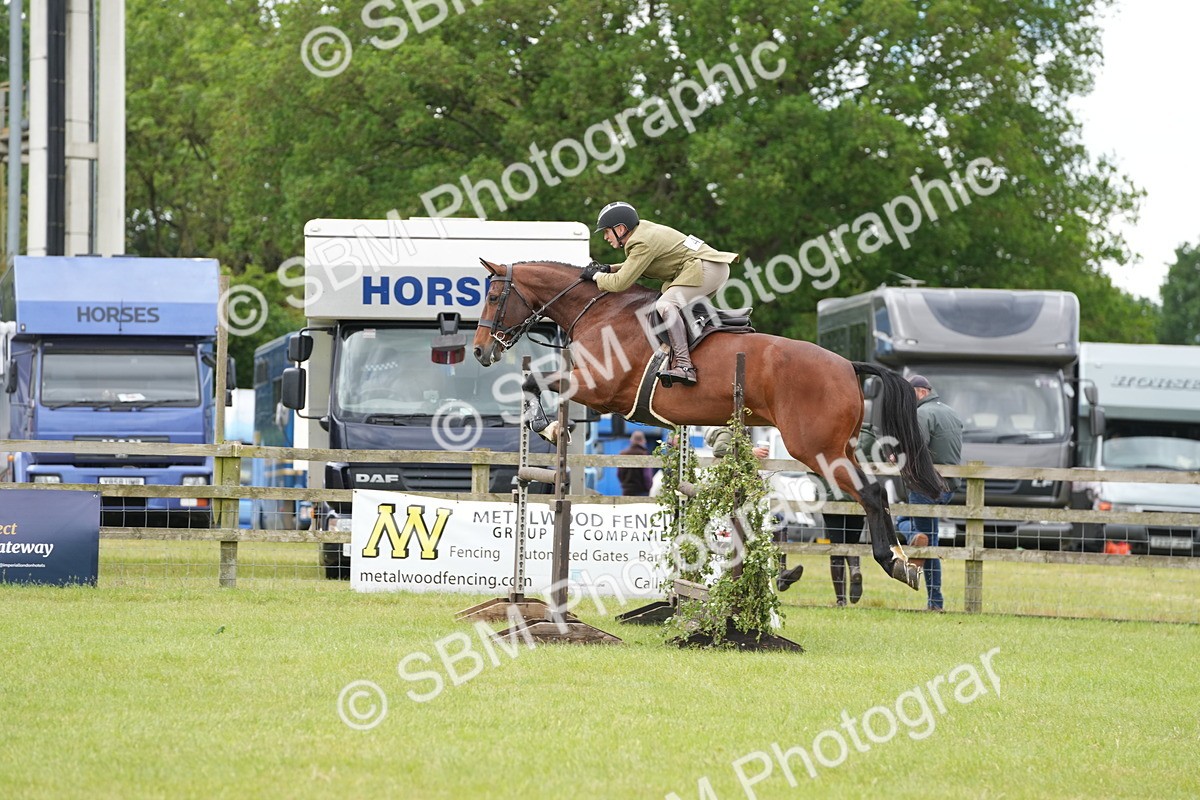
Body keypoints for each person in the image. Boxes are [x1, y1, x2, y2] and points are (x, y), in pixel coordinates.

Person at [583, 201, 739, 387]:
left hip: (705, 269)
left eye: (606, 231)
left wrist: (596, 276)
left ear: (621, 228)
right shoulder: (642, 231)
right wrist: (610, 268)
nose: (606, 237)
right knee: (676, 308)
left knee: (665, 305)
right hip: (711, 267)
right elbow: (636, 265)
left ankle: (684, 366)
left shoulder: (640, 242)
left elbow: (619, 284)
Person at [895, 375, 963, 612]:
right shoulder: (951, 413)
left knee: (905, 526)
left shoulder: (922, 414)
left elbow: (917, 446)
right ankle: (935, 601)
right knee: (929, 541)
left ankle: (935, 601)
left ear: (921, 392)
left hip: (925, 485)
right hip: (949, 487)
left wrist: (897, 456)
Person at [616, 431, 654, 496]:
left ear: (631, 440)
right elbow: (647, 476)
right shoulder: (644, 454)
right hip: (641, 492)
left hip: (627, 491)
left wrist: (625, 486)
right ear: (643, 441)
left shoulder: (623, 454)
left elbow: (619, 474)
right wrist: (648, 488)